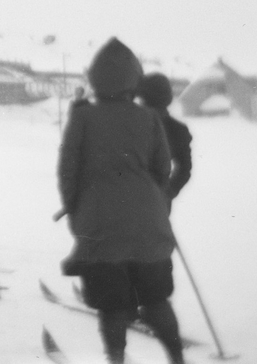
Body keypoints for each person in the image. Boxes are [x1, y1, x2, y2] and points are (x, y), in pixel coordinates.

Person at [58, 38, 184, 364]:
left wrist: (76, 213)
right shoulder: (149, 118)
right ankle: (177, 358)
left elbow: (67, 171)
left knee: (112, 305)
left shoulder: (83, 117)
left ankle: (116, 359)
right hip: (148, 224)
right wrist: (152, 206)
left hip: (98, 225)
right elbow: (162, 170)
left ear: (96, 78)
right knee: (156, 300)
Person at [137, 73, 193, 204]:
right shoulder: (178, 129)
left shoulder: (133, 125)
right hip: (160, 202)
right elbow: (185, 169)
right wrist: (168, 193)